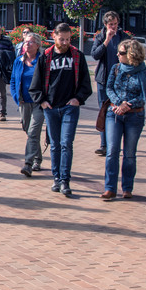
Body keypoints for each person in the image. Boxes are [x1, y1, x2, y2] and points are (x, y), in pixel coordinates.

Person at [30, 23, 92, 197]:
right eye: (61, 39)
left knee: (66, 144)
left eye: (68, 39)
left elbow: (86, 84)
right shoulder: (45, 57)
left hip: (69, 108)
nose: (64, 42)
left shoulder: (77, 56)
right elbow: (35, 84)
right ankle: (56, 177)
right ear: (54, 37)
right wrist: (42, 101)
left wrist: (78, 99)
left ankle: (65, 179)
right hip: (51, 108)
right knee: (55, 145)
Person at [102, 39, 146, 200]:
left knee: (129, 153)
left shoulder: (145, 72)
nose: (118, 55)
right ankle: (110, 188)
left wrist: (128, 105)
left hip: (134, 116)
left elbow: (145, 95)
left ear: (132, 54)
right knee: (112, 151)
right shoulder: (116, 68)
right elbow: (108, 88)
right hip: (114, 114)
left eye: (121, 52)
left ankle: (127, 188)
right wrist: (118, 103)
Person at [91, 11, 134, 157]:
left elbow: (132, 55)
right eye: (111, 25)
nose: (114, 27)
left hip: (120, 80)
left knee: (118, 109)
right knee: (104, 110)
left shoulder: (124, 37)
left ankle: (115, 143)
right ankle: (104, 145)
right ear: (105, 24)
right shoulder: (100, 36)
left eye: (115, 24)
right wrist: (106, 40)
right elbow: (95, 55)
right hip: (104, 80)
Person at [10, 34, 44, 177]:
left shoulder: (42, 61)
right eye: (25, 42)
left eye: (31, 42)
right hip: (24, 102)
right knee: (28, 130)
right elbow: (13, 80)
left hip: (39, 102)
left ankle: (28, 164)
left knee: (33, 131)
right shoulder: (19, 61)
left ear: (37, 45)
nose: (27, 45)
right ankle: (38, 158)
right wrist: (17, 98)